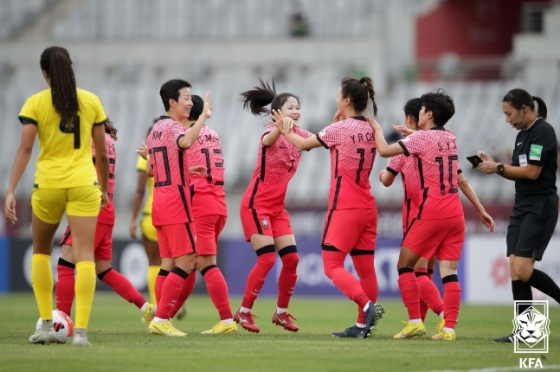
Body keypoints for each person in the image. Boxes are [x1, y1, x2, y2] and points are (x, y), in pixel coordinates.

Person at [370, 89, 494, 341]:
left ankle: (415, 322)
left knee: (405, 266)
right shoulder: (450, 138)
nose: (420, 112)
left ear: (428, 113)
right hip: (455, 214)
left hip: (430, 213)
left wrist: (376, 128)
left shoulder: (419, 141)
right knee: (449, 274)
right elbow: (461, 176)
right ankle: (449, 329)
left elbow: (383, 151)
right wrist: (481, 210)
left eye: (423, 108)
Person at [4, 46, 109, 346]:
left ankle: (47, 327)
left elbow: (25, 149)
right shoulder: (91, 101)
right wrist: (102, 187)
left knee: (40, 251)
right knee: (85, 255)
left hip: (48, 185)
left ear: (44, 73)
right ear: (71, 68)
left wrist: (11, 189)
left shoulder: (35, 103)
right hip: (83, 184)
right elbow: (101, 152)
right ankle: (82, 334)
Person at [273, 77, 385, 338]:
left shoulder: (339, 129)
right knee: (366, 268)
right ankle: (361, 326)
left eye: (338, 95)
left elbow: (303, 144)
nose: (335, 98)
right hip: (368, 206)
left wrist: (282, 127)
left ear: (346, 100)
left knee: (332, 265)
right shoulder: (371, 127)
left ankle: (368, 307)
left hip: (344, 206)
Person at [148, 95, 236, 334]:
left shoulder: (186, 134)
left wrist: (152, 157)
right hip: (217, 202)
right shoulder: (213, 133)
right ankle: (165, 315)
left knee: (200, 263)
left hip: (198, 203)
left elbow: (166, 165)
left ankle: (226, 320)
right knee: (189, 264)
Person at [478, 88, 560, 343]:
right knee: (515, 270)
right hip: (522, 206)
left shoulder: (542, 132)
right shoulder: (522, 135)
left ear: (525, 109)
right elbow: (518, 168)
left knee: (523, 271)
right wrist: (495, 165)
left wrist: (498, 168)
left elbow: (533, 172)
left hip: (540, 207)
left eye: (509, 113)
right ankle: (526, 333)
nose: (507, 119)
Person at [56, 119, 155, 327]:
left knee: (67, 260)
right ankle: (146, 308)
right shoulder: (108, 139)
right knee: (103, 269)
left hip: (91, 206)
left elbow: (86, 167)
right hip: (107, 208)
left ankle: (62, 322)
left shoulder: (90, 139)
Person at [235, 79, 311, 333]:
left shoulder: (300, 134)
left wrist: (339, 125)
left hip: (277, 209)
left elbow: (319, 141)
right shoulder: (270, 132)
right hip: (256, 206)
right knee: (267, 259)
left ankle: (281, 314)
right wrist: (280, 127)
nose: (296, 111)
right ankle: (244, 312)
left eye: (298, 107)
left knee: (291, 260)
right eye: (291, 108)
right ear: (277, 112)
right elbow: (268, 140)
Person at [146, 79, 211, 337]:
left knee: (167, 264)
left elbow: (152, 169)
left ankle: (160, 318)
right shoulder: (174, 128)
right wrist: (202, 118)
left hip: (159, 201)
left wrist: (185, 168)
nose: (189, 102)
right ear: (172, 102)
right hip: (176, 202)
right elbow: (185, 143)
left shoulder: (155, 129)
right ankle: (162, 318)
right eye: (186, 97)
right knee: (187, 260)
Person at [379, 98, 444, 326]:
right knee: (425, 274)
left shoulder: (405, 147)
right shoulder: (439, 143)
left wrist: (381, 174)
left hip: (417, 217)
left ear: (409, 119)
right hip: (442, 212)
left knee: (414, 273)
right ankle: (420, 322)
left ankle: (445, 315)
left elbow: (386, 180)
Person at [130, 122, 161, 307]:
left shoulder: (146, 156)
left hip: (150, 215)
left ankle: (158, 308)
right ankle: (171, 303)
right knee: (173, 264)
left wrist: (133, 219)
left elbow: (140, 190)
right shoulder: (171, 154)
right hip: (171, 214)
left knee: (154, 263)